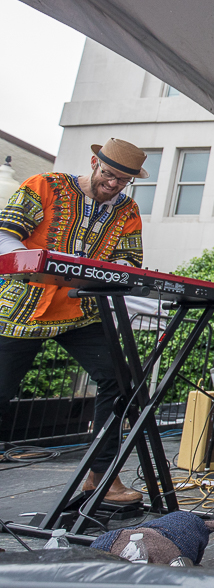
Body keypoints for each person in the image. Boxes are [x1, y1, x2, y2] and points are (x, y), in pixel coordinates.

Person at [0, 138, 147, 504]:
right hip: (21, 308)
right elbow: (5, 236)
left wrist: (110, 272)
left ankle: (102, 479)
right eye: (109, 174)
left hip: (80, 311)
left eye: (122, 180)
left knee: (119, 380)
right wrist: (41, 267)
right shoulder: (44, 186)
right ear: (94, 163)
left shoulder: (128, 210)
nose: (113, 184)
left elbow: (129, 262)